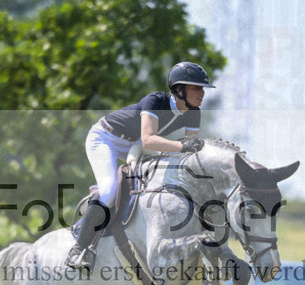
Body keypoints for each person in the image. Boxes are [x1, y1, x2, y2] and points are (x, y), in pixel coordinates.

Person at [66, 61, 217, 271]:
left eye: (202, 88)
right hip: (106, 138)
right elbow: (149, 139)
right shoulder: (156, 101)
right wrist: (183, 146)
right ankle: (78, 249)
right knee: (109, 190)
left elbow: (189, 151)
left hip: (135, 144)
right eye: (196, 87)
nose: (201, 92)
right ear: (179, 89)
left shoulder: (194, 112)